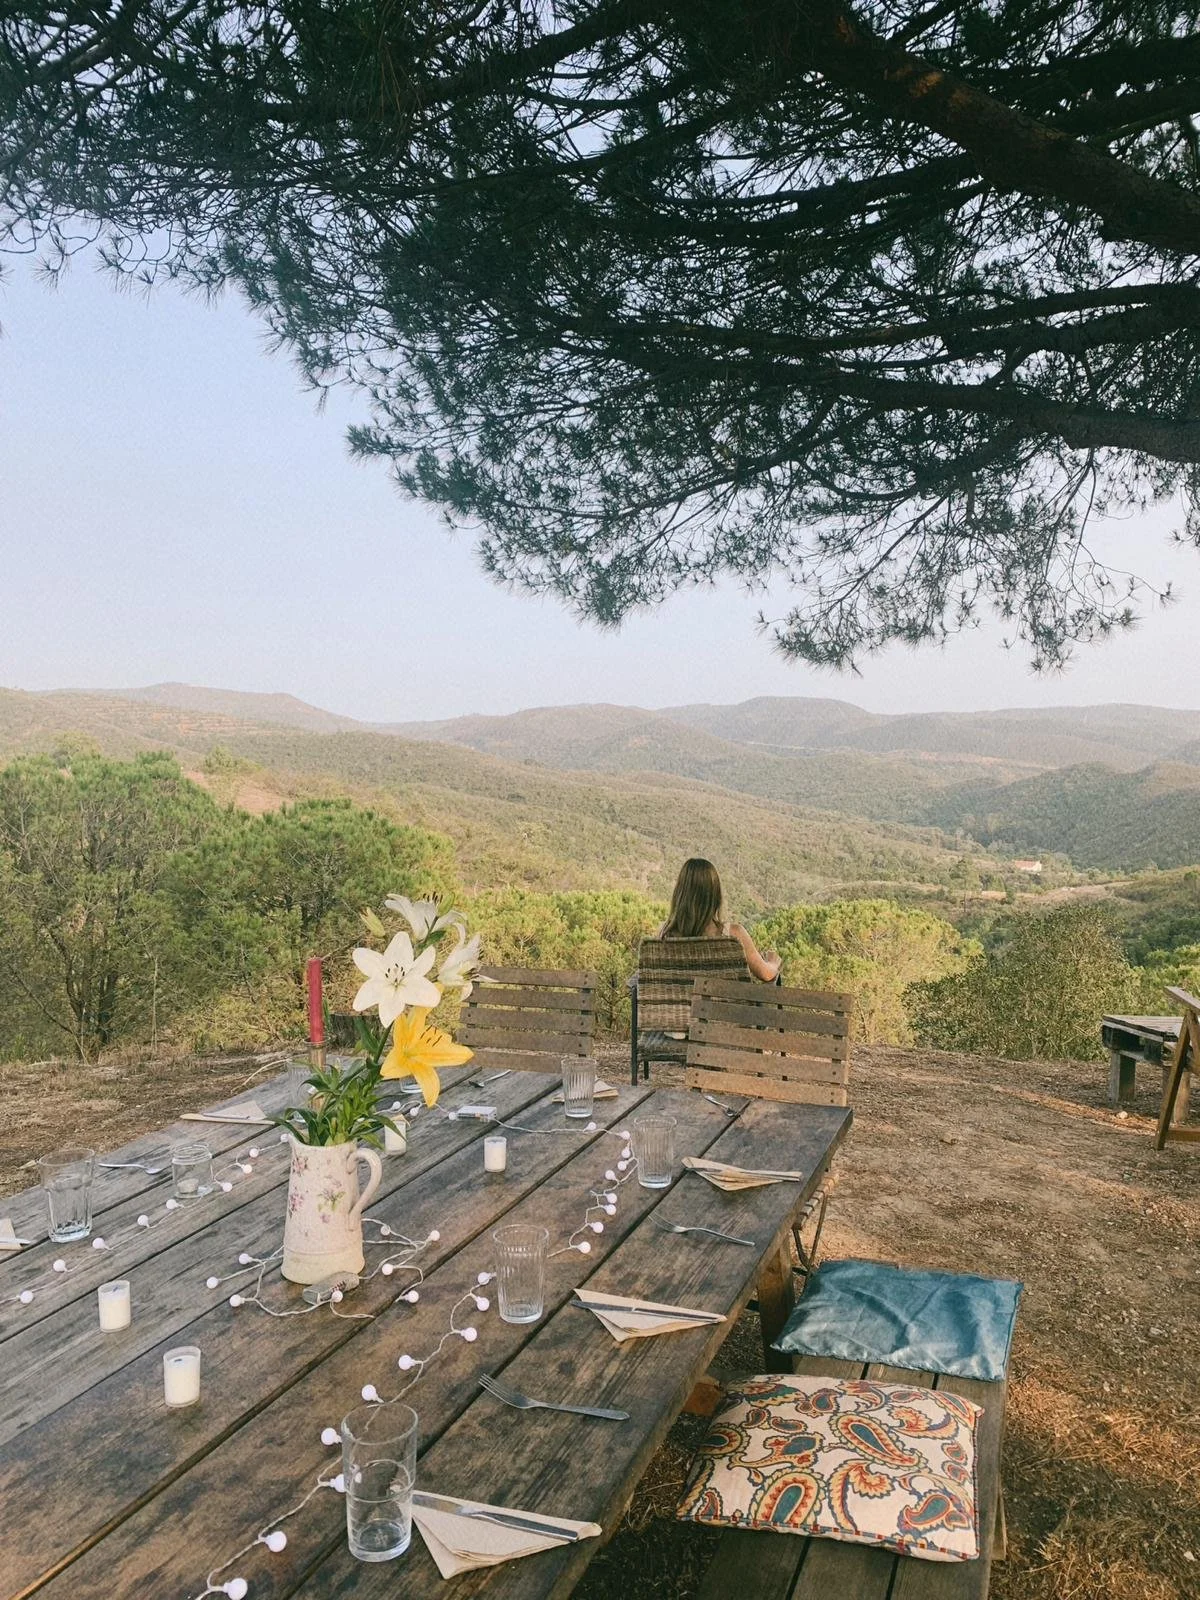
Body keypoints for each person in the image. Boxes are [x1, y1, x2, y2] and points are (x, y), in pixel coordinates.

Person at [661, 857, 782, 981]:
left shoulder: (663, 935)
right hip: (719, 1001)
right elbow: (766, 974)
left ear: (679, 893)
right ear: (715, 896)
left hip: (677, 1000)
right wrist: (772, 963)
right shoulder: (733, 936)